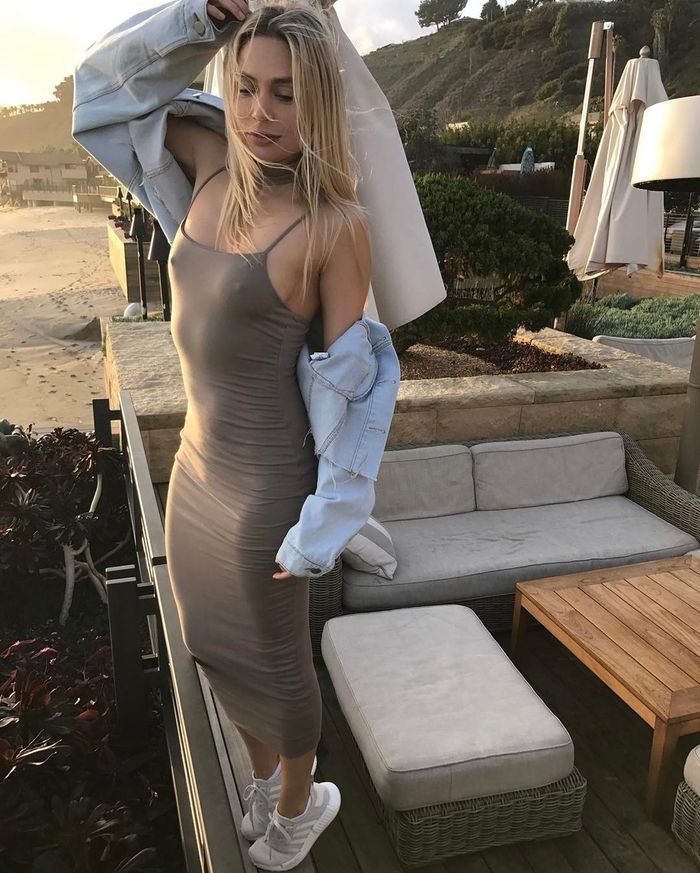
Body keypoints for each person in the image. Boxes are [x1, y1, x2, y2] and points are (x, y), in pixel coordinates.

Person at [161, 0, 370, 868]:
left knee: (280, 663)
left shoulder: (333, 225)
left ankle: (296, 807)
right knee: (210, 643)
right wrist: (194, 18)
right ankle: (261, 780)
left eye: (285, 93)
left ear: (318, 102)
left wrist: (327, 521)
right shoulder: (211, 160)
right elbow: (102, 96)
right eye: (245, 87)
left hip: (267, 487)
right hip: (194, 469)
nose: (258, 113)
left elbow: (353, 398)